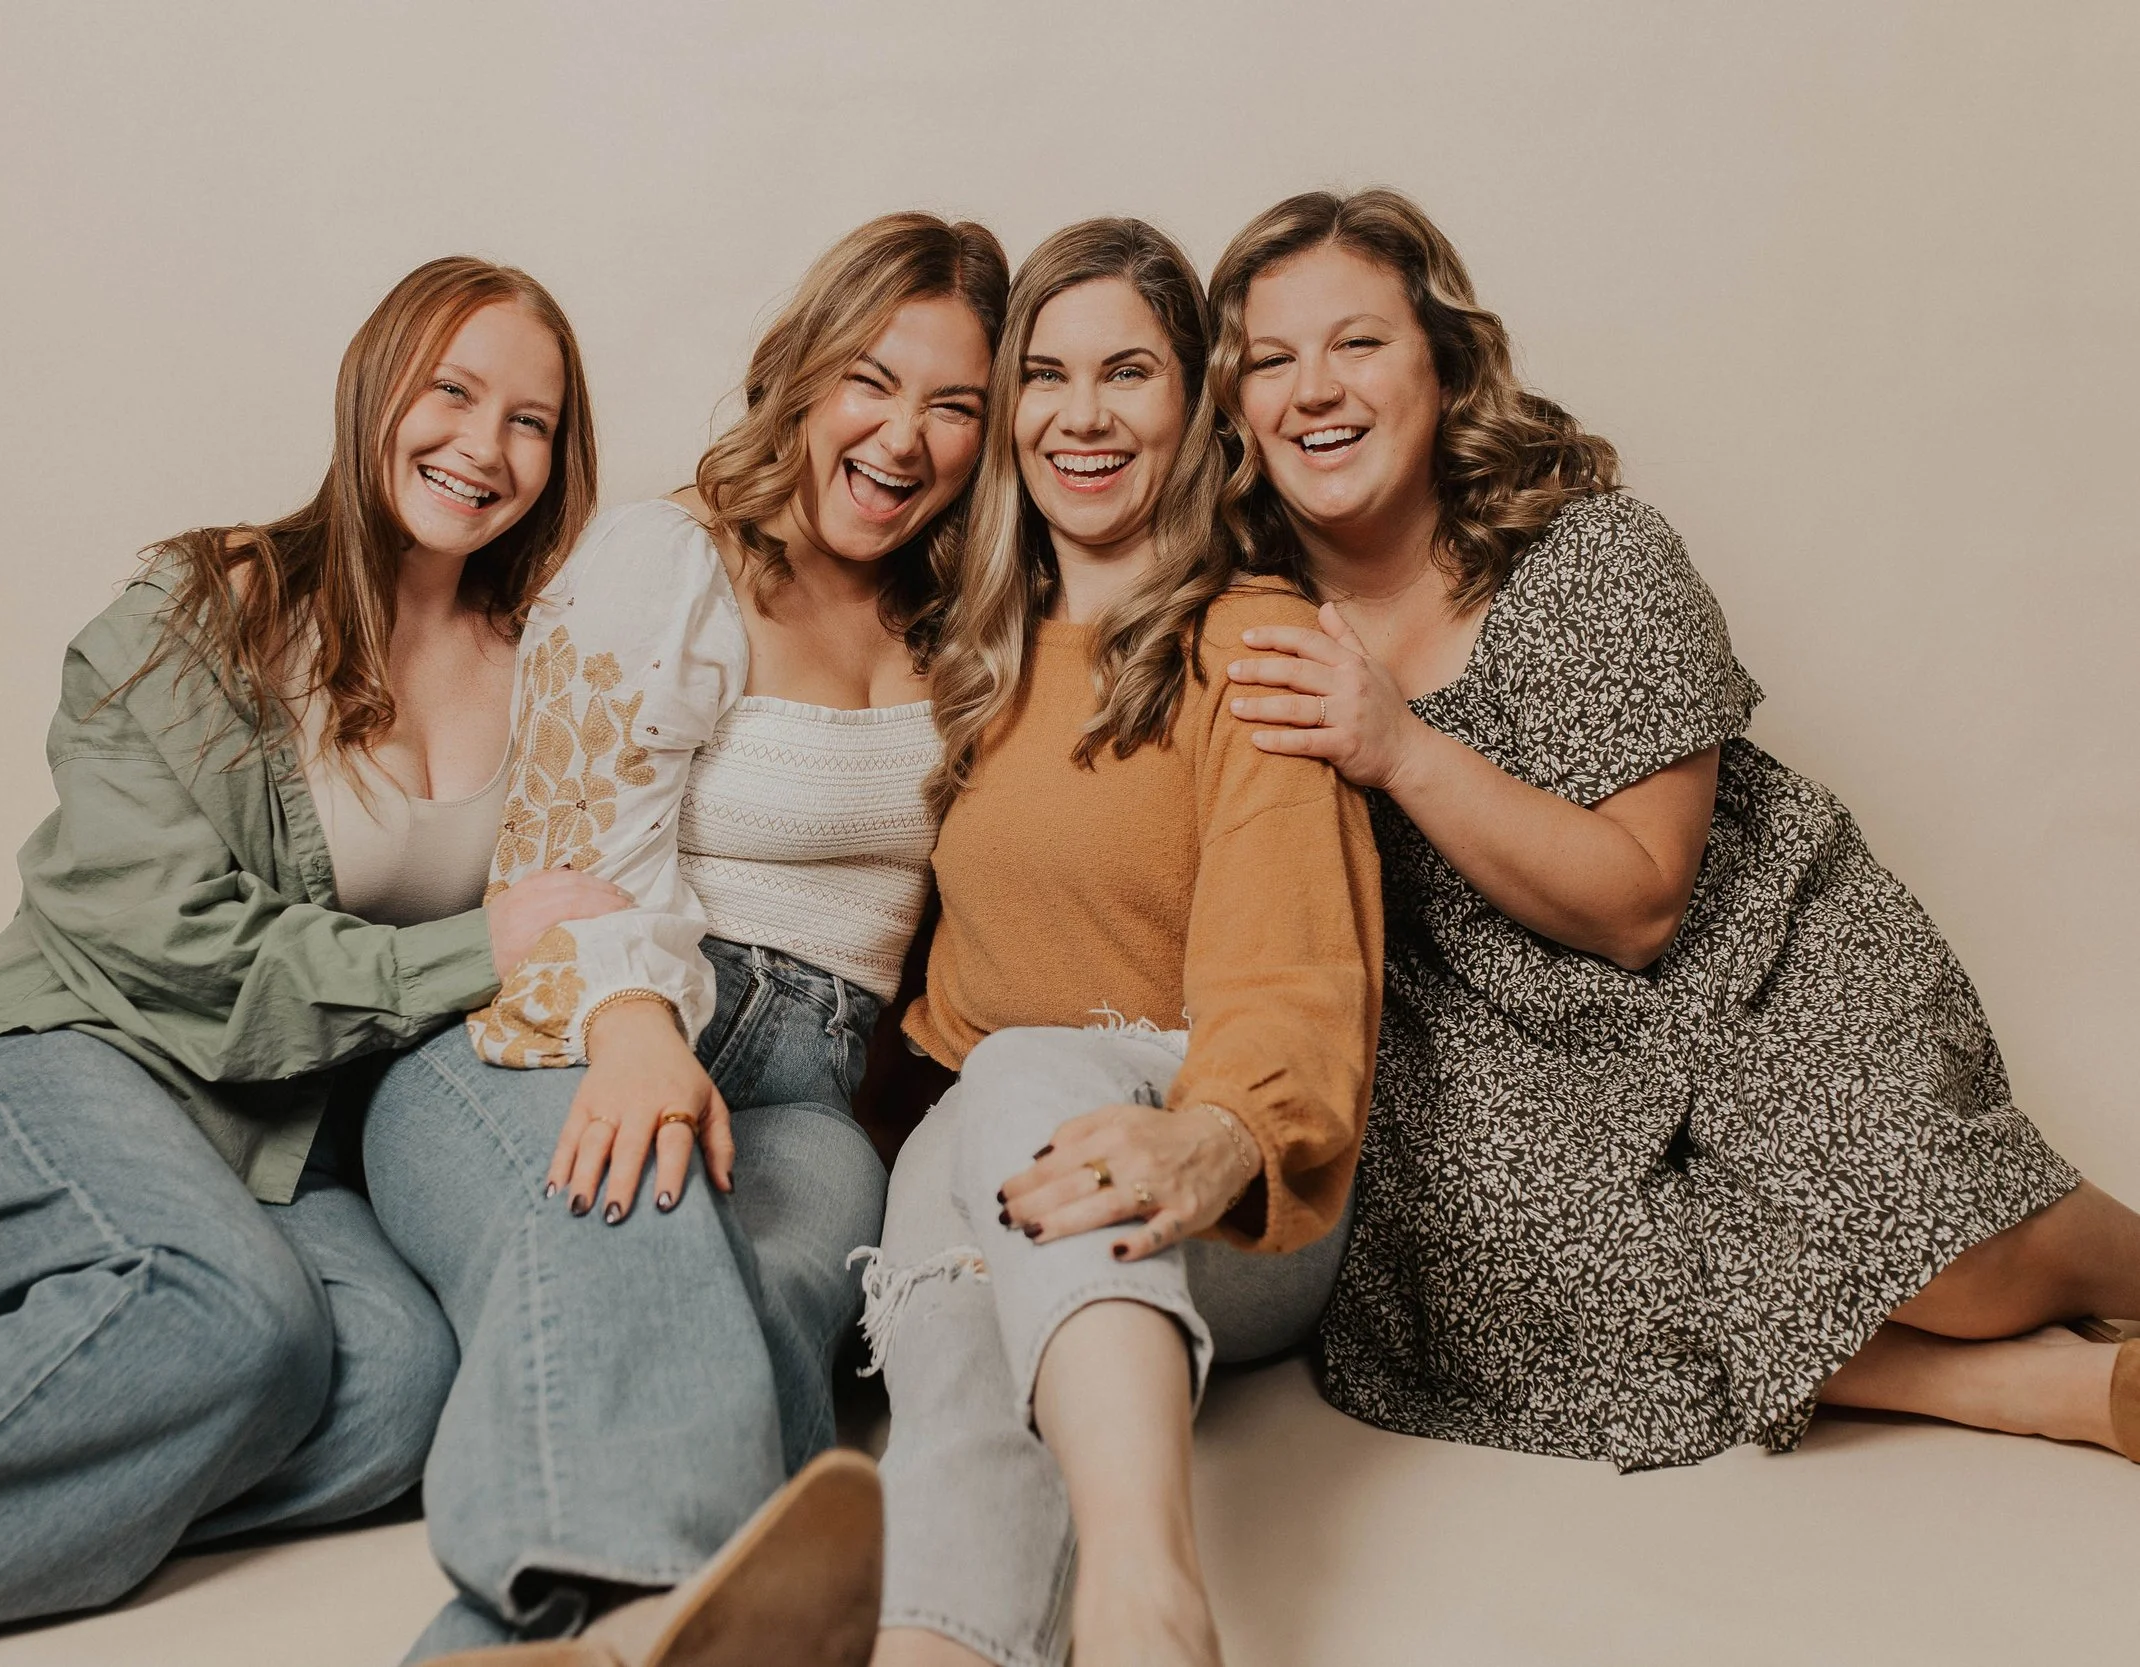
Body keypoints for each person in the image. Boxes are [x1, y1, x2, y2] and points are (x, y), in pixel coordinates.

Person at [0, 256, 626, 1667]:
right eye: (453, 390)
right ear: (374, 391)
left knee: (400, 1392)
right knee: (232, 1317)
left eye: (531, 420)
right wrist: (482, 944)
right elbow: (171, 939)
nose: (486, 444)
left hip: (277, 1134)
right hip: (62, 1054)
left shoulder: (546, 661)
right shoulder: (209, 605)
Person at [1214, 187, 2140, 1471]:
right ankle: (2058, 1390)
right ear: (1235, 406)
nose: (1314, 388)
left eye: (1357, 342)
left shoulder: (1592, 556)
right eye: (1270, 359)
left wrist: (1400, 747)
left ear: (1444, 365)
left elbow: (1642, 903)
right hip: (1483, 1039)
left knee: (1904, 1213)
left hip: (1744, 963)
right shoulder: (1242, 617)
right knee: (1532, 1260)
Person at [354, 213, 1008, 1665]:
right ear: (803, 373)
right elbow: (564, 851)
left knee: (773, 1294)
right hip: (551, 1032)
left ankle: (569, 1643)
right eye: (870, 379)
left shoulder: (960, 619)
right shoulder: (672, 554)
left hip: (808, 1089)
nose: (904, 435)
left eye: (953, 404)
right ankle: (648, 1609)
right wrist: (638, 1035)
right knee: (644, 1218)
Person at [858, 219, 1383, 1667]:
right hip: (984, 1147)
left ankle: (1149, 1600)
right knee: (953, 1341)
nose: (1080, 415)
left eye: (1128, 373)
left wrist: (1222, 1133)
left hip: (1225, 1178)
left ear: (1196, 404)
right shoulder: (971, 648)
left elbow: (1298, 968)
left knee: (1022, 1076)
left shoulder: (1253, 639)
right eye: (1045, 375)